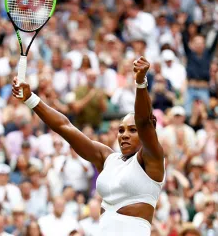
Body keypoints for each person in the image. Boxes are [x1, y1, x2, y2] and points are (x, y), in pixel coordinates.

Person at [12, 56, 165, 235]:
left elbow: (144, 122)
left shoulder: (152, 159)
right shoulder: (108, 159)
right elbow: (65, 127)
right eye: (121, 130)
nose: (124, 135)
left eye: (132, 130)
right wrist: (30, 99)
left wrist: (140, 83)